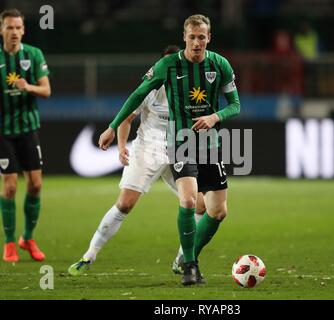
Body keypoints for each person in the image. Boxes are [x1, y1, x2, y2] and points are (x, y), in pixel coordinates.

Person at [98, 14, 240, 285]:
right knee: (188, 201)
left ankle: (185, 257)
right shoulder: (167, 65)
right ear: (184, 38)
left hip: (210, 145)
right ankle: (191, 267)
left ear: (209, 38)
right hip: (180, 142)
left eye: (202, 37)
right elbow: (138, 94)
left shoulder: (220, 64)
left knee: (218, 211)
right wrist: (113, 126)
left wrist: (215, 117)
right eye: (192, 37)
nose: (197, 42)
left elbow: (235, 104)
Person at [68, 45, 206, 276]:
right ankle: (89, 255)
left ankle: (183, 258)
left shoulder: (192, 87)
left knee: (201, 205)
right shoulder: (151, 88)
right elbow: (127, 117)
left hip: (179, 148)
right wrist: (121, 146)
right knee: (125, 204)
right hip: (148, 149)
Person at [0, 9, 51, 262]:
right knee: (9, 186)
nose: (15, 32)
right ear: (2, 30)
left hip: (28, 128)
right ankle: (9, 243)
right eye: (10, 28)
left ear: (23, 30)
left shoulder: (33, 54)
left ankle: (27, 237)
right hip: (3, 132)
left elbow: (46, 90)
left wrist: (26, 86)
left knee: (36, 184)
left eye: (19, 28)